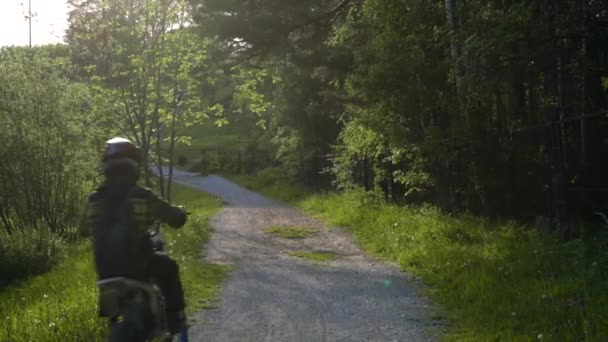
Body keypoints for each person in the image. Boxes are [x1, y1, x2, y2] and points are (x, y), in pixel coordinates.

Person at [80, 137, 188, 335]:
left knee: (115, 320)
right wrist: (181, 214)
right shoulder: (143, 196)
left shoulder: (94, 200)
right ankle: (176, 319)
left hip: (105, 272)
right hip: (139, 269)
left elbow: (82, 230)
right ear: (134, 166)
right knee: (169, 267)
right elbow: (176, 219)